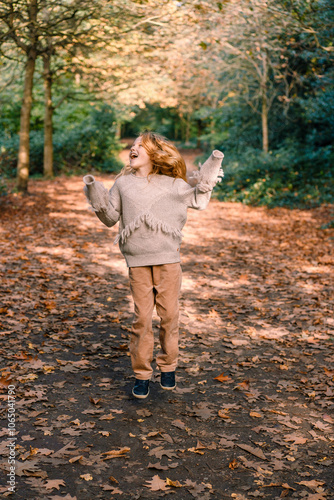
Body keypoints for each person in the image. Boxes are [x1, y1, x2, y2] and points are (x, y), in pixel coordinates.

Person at [83, 131, 224, 399]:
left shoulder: (173, 185)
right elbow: (110, 217)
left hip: (168, 261)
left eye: (140, 145)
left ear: (155, 152)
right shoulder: (123, 184)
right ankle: (142, 375)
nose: (133, 148)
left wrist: (211, 168)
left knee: (169, 316)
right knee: (142, 319)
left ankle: (168, 366)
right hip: (137, 262)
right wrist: (94, 191)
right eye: (132, 145)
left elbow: (199, 197)